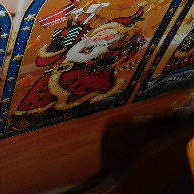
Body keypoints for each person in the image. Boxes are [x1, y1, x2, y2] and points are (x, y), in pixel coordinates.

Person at [15, 7, 145, 115]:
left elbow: (118, 59)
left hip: (89, 74)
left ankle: (68, 107)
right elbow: (44, 60)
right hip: (64, 67)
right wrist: (58, 44)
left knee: (68, 83)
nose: (102, 36)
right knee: (45, 83)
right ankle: (29, 111)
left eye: (108, 35)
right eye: (101, 33)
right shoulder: (83, 42)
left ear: (115, 37)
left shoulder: (112, 48)